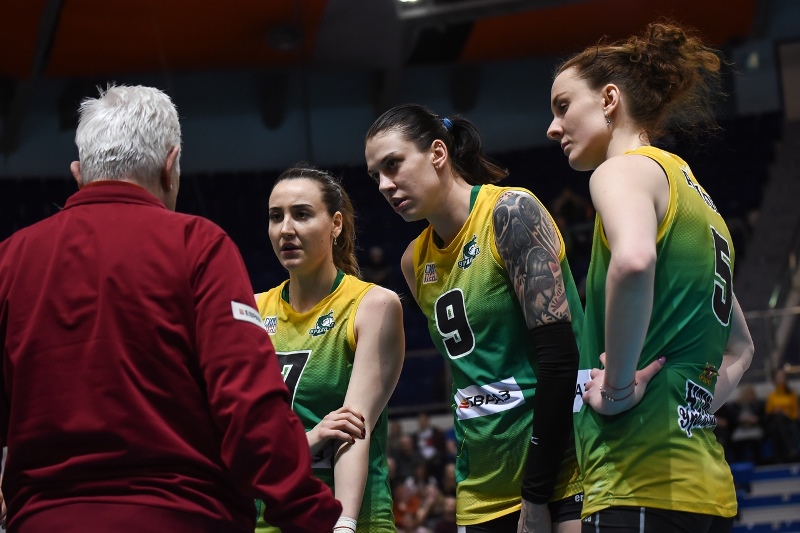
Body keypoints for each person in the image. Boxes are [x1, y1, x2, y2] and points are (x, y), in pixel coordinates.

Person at [0, 85, 341, 532]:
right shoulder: (199, 246)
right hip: (183, 516)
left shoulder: (9, 259)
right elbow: (248, 405)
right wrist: (310, 513)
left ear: (78, 174)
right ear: (170, 166)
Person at [547, 21, 755, 531]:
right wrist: (689, 406)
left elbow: (634, 261)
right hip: (706, 491)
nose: (552, 127)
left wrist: (618, 388)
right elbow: (742, 349)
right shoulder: (698, 200)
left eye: (563, 106)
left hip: (637, 481)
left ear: (609, 99)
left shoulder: (621, 171)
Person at [365, 104, 583, 532]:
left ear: (438, 153)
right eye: (376, 176)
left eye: (393, 165)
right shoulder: (413, 262)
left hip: (560, 474)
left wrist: (535, 493)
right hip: (479, 489)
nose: (385, 185)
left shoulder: (511, 213)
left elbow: (560, 360)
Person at [253, 164, 405, 532]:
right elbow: (246, 441)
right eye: (276, 217)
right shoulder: (252, 310)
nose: (286, 229)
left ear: (336, 224)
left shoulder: (373, 305)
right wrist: (312, 438)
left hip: (351, 518)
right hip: (269, 520)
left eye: (302, 214)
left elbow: (353, 428)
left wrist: (344, 525)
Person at [764, 368, 800, 463]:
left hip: (789, 421)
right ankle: (791, 449)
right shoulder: (771, 396)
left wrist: (785, 413)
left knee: (778, 422)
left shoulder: (792, 395)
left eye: (783, 377)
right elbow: (768, 413)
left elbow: (795, 415)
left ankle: (779, 456)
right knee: (777, 420)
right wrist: (776, 411)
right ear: (774, 380)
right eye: (779, 378)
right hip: (774, 421)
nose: (781, 380)